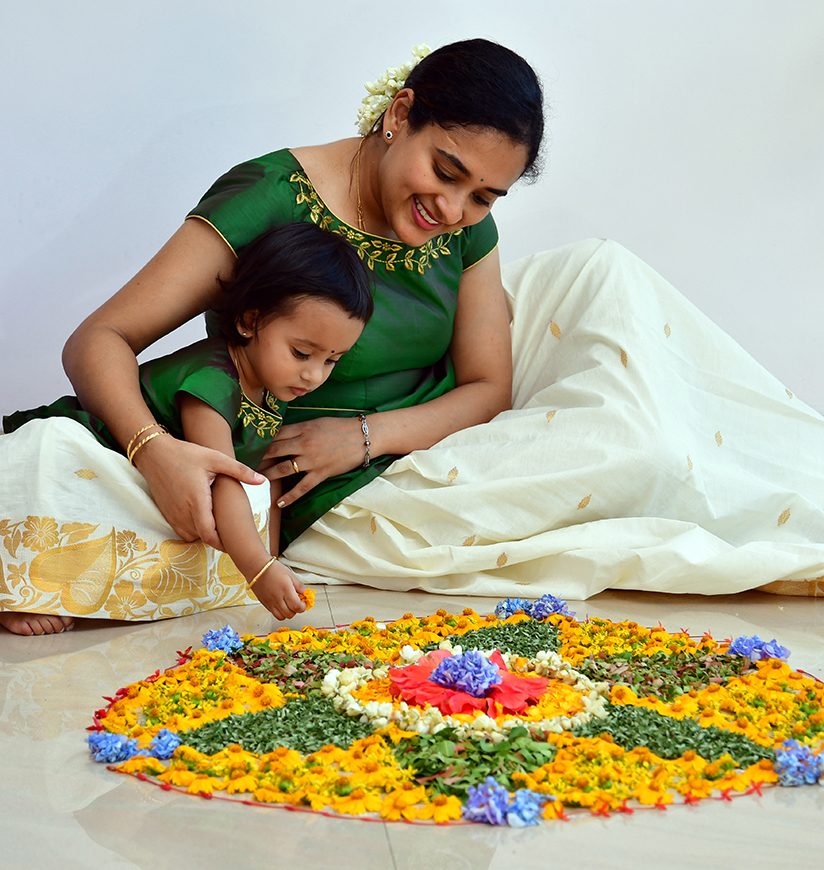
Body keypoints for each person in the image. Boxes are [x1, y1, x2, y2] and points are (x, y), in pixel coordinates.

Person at [2, 38, 823, 633]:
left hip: (410, 425)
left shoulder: (465, 232)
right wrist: (154, 450)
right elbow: (100, 338)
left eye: (486, 197)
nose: (455, 212)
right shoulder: (269, 197)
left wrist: (362, 437)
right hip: (291, 450)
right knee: (634, 452)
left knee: (610, 288)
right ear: (401, 115)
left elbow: (488, 386)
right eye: (446, 173)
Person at [0, 222, 373, 634]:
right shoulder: (212, 381)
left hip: (155, 486)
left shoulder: (271, 389)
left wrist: (270, 559)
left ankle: (79, 587)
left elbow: (263, 481)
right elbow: (223, 479)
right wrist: (258, 568)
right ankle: (18, 588)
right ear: (250, 321)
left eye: (331, 361)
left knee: (224, 521)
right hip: (96, 453)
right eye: (302, 353)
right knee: (50, 453)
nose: (313, 375)